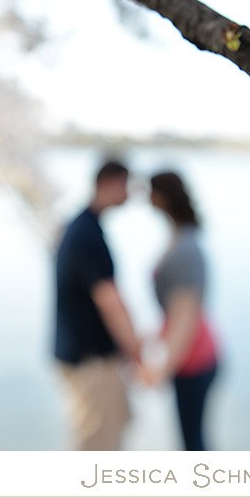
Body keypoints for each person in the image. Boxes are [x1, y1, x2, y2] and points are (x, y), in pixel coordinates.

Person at [53, 159, 146, 451]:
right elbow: (110, 301)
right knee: (96, 447)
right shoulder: (86, 234)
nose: (130, 195)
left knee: (110, 435)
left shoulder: (82, 226)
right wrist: (136, 352)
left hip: (87, 356)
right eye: (126, 186)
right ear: (111, 183)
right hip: (89, 361)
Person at [145, 171, 220, 451]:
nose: (145, 199)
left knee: (193, 445)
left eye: (149, 192)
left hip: (195, 357)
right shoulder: (181, 236)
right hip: (191, 354)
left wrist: (161, 370)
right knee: (192, 441)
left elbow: (186, 316)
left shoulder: (185, 247)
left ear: (162, 197)